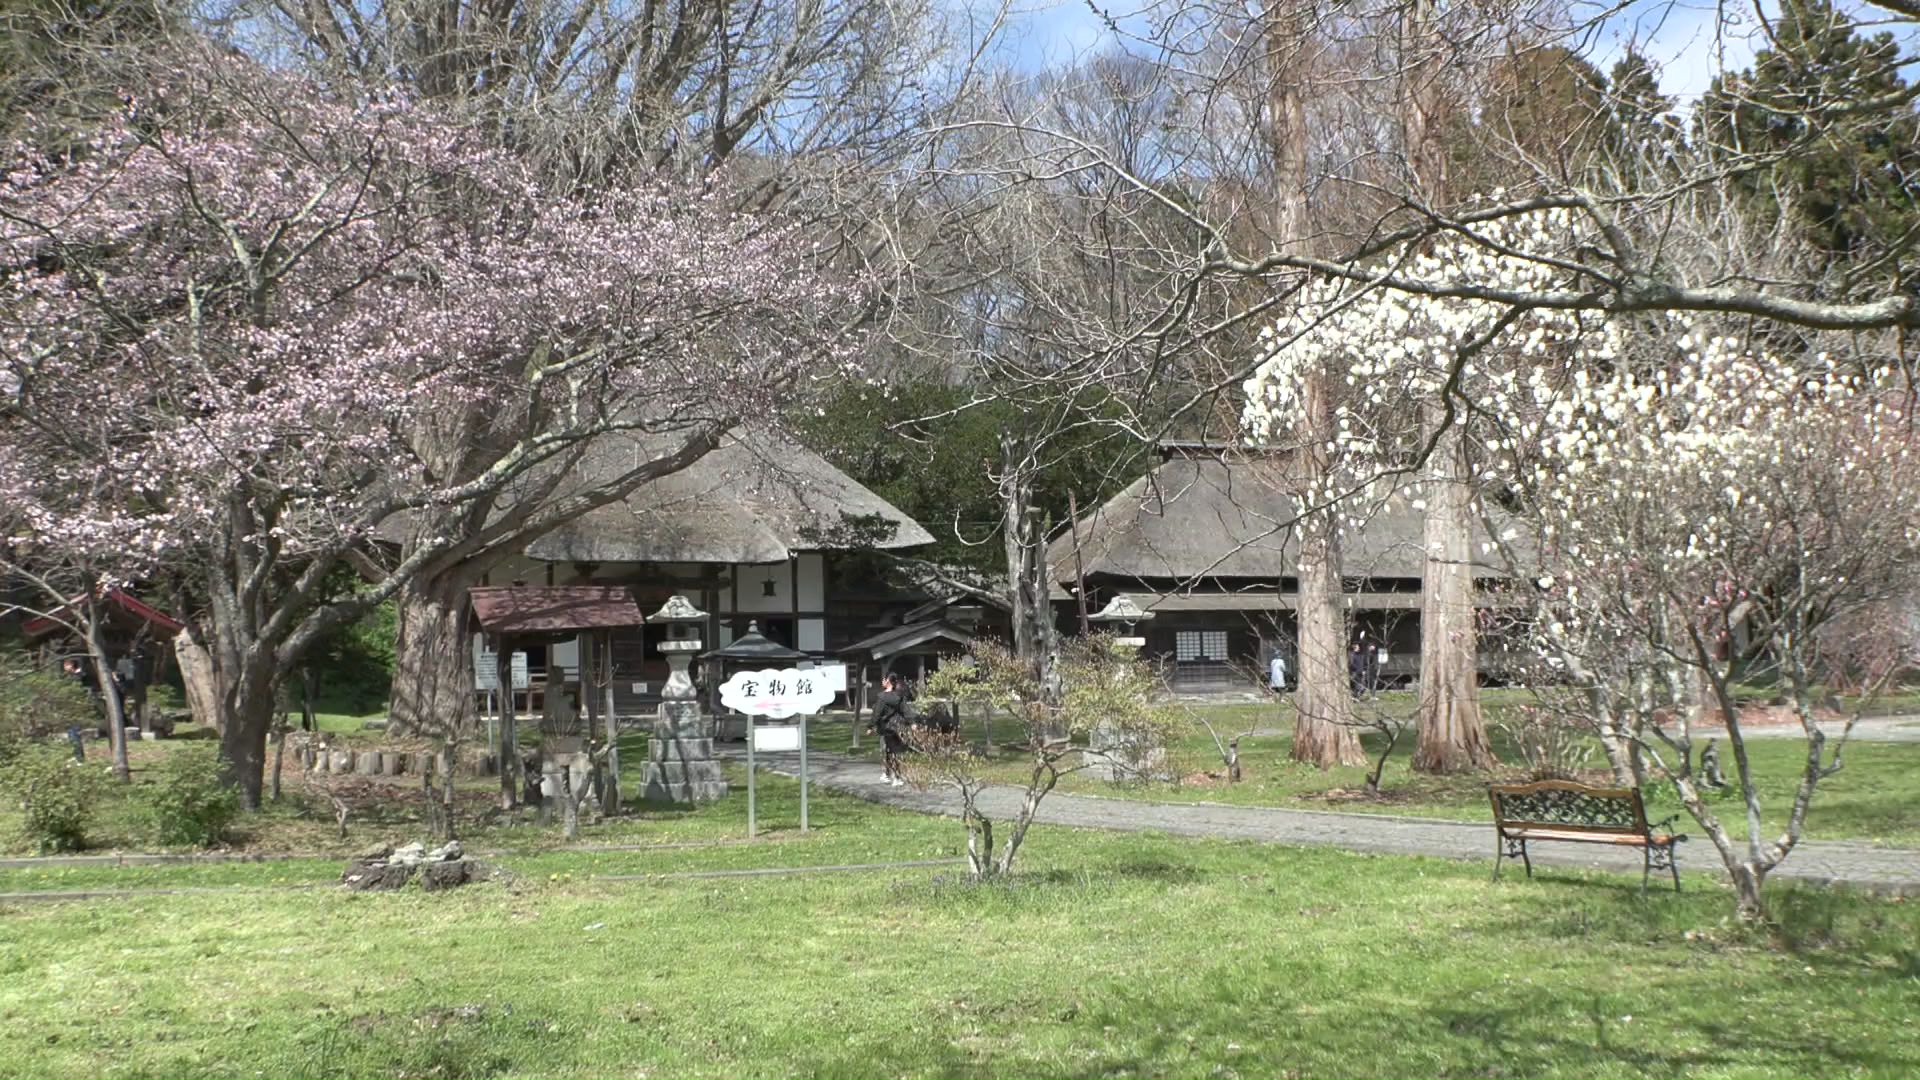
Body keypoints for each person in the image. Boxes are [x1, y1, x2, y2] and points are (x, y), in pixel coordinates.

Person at [868, 672, 912, 787]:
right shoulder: (899, 696)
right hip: (897, 727)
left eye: (884, 679)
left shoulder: (882, 697)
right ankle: (893, 776)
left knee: (887, 752)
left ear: (888, 681)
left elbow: (877, 714)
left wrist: (871, 726)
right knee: (894, 752)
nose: (882, 681)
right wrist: (913, 722)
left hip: (885, 729)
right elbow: (906, 711)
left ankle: (890, 775)